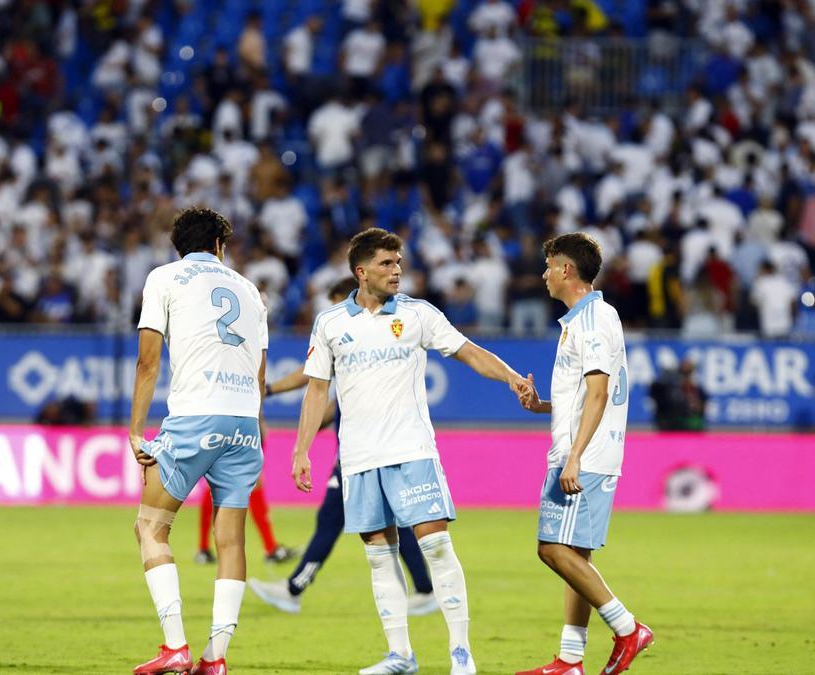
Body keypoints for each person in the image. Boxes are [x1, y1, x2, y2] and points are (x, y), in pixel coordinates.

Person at [290, 228, 532, 675]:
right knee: (379, 555)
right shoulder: (330, 323)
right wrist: (301, 450)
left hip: (411, 450)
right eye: (386, 263)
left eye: (398, 262)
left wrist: (512, 377)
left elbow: (469, 352)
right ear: (361, 271)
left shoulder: (418, 314)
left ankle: (461, 654)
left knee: (436, 546)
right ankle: (400, 655)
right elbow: (316, 390)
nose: (397, 270)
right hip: (359, 458)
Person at [128, 207, 268, 675]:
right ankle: (216, 657)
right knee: (230, 541)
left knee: (151, 527)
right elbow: (259, 375)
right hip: (244, 421)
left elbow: (148, 362)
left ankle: (176, 647)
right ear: (219, 246)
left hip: (195, 416)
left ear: (179, 247)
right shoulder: (250, 291)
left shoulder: (164, 278)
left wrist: (136, 429)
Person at [248, 278, 439, 616]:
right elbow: (333, 403)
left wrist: (271, 389)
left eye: (337, 300)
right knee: (383, 519)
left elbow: (310, 375)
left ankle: (294, 589)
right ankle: (424, 589)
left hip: (363, 451)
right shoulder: (359, 338)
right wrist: (311, 430)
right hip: (364, 450)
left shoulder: (353, 331)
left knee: (340, 519)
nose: (335, 309)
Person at [515, 233, 654, 675]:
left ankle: (628, 628)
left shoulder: (592, 320)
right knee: (575, 555)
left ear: (566, 270)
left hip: (584, 457)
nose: (544, 274)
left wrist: (574, 456)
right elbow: (583, 395)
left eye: (549, 266)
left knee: (552, 550)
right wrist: (542, 406)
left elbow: (598, 393)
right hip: (588, 451)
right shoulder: (589, 317)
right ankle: (571, 660)